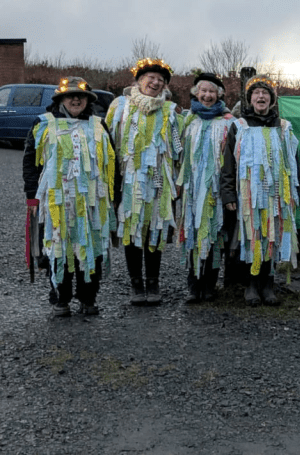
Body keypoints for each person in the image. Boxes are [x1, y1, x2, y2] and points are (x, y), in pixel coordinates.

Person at [23, 77, 116, 316]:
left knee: (91, 246)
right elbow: (31, 163)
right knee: (58, 246)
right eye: (70, 96)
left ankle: (88, 297)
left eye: (81, 96)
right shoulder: (43, 124)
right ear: (61, 99)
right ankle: (60, 298)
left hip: (93, 202)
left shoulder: (99, 126)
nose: (76, 99)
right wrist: (32, 197)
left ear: (88, 100)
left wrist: (112, 198)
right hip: (57, 202)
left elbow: (112, 164)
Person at [105, 58, 182, 306]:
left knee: (155, 230)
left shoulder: (171, 111)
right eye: (151, 77)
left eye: (161, 80)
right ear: (139, 80)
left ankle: (153, 281)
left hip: (160, 183)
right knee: (131, 228)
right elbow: (105, 142)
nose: (155, 82)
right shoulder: (119, 107)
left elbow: (180, 148)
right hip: (129, 181)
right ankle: (136, 283)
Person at [221, 76, 300, 307]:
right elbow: (229, 165)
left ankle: (268, 284)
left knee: (274, 238)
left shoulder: (284, 128)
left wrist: (294, 194)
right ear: (249, 99)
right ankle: (251, 284)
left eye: (265, 93)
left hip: (277, 196)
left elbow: (293, 163)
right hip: (248, 197)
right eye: (256, 93)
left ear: (272, 100)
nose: (261, 97)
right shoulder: (239, 127)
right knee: (252, 238)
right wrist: (228, 195)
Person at [176, 71, 233, 303]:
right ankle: (193, 285)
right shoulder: (188, 121)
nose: (207, 95)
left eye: (212, 92)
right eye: (203, 91)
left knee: (214, 235)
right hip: (192, 189)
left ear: (219, 95)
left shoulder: (228, 123)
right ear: (196, 93)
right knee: (192, 233)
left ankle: (209, 284)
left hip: (216, 190)